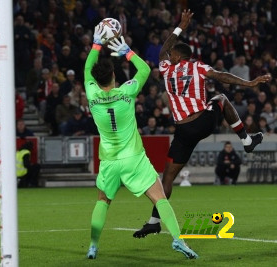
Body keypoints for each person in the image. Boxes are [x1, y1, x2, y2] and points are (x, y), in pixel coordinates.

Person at [134, 9, 271, 239]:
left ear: (176, 57)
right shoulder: (197, 66)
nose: (170, 56)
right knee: (220, 98)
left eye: (172, 55)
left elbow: (164, 49)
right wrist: (248, 84)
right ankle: (246, 140)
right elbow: (222, 76)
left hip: (183, 130)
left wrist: (180, 27)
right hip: (201, 122)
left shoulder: (167, 69)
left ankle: (153, 221)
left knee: (166, 179)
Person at [84, 24, 198, 260]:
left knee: (103, 202)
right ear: (115, 76)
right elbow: (145, 70)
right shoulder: (127, 93)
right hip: (134, 159)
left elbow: (87, 69)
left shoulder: (92, 94)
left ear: (95, 80)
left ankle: (93, 246)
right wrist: (127, 50)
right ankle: (179, 240)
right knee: (160, 198)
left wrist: (96, 44)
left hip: (109, 160)